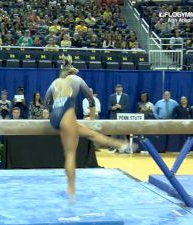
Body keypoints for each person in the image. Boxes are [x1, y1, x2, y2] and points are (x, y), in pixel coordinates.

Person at [44, 55, 133, 201]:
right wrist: (92, 119)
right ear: (72, 71)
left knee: (89, 133)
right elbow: (91, 99)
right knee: (71, 153)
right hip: (67, 113)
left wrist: (48, 118)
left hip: (56, 117)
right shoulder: (77, 80)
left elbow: (46, 104)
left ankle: (118, 144)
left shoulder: (54, 83)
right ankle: (71, 189)